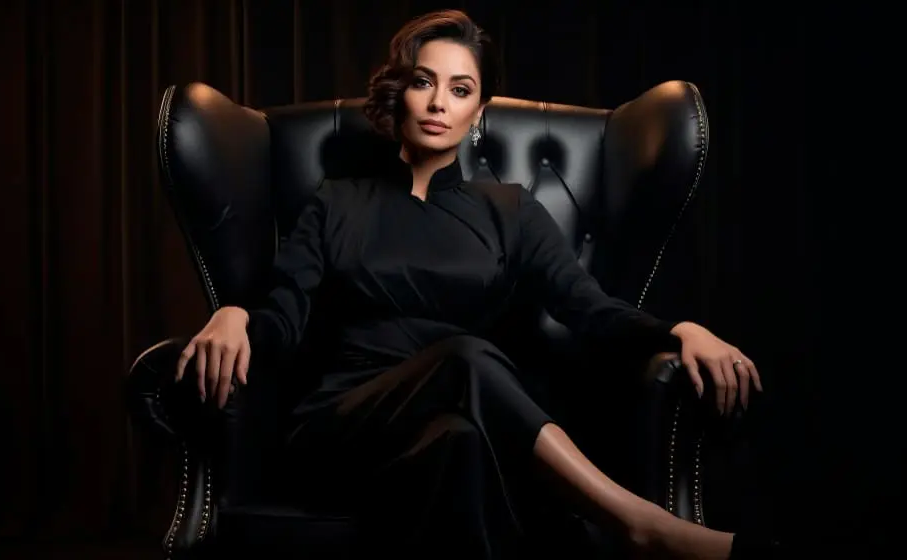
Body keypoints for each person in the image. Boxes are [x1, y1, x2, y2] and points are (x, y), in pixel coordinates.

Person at [175, 9, 767, 560]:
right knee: (462, 357)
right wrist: (235, 315)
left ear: (477, 112)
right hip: (344, 424)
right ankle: (638, 523)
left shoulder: (510, 210)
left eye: (460, 90)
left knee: (459, 439)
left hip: (464, 426)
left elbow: (590, 309)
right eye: (423, 82)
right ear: (399, 93)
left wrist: (680, 329)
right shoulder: (338, 201)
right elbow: (284, 315)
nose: (438, 103)